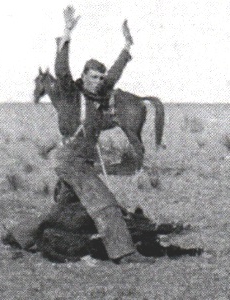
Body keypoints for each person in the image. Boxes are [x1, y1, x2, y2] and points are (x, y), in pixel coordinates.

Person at [53, 6, 154, 264]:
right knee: (105, 203)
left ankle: (24, 235)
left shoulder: (97, 94)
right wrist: (66, 33)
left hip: (83, 161)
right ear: (83, 76)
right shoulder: (70, 93)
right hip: (71, 160)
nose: (98, 81)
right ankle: (124, 252)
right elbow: (62, 68)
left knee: (64, 212)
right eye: (93, 76)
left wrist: (127, 46)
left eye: (100, 77)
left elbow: (115, 73)